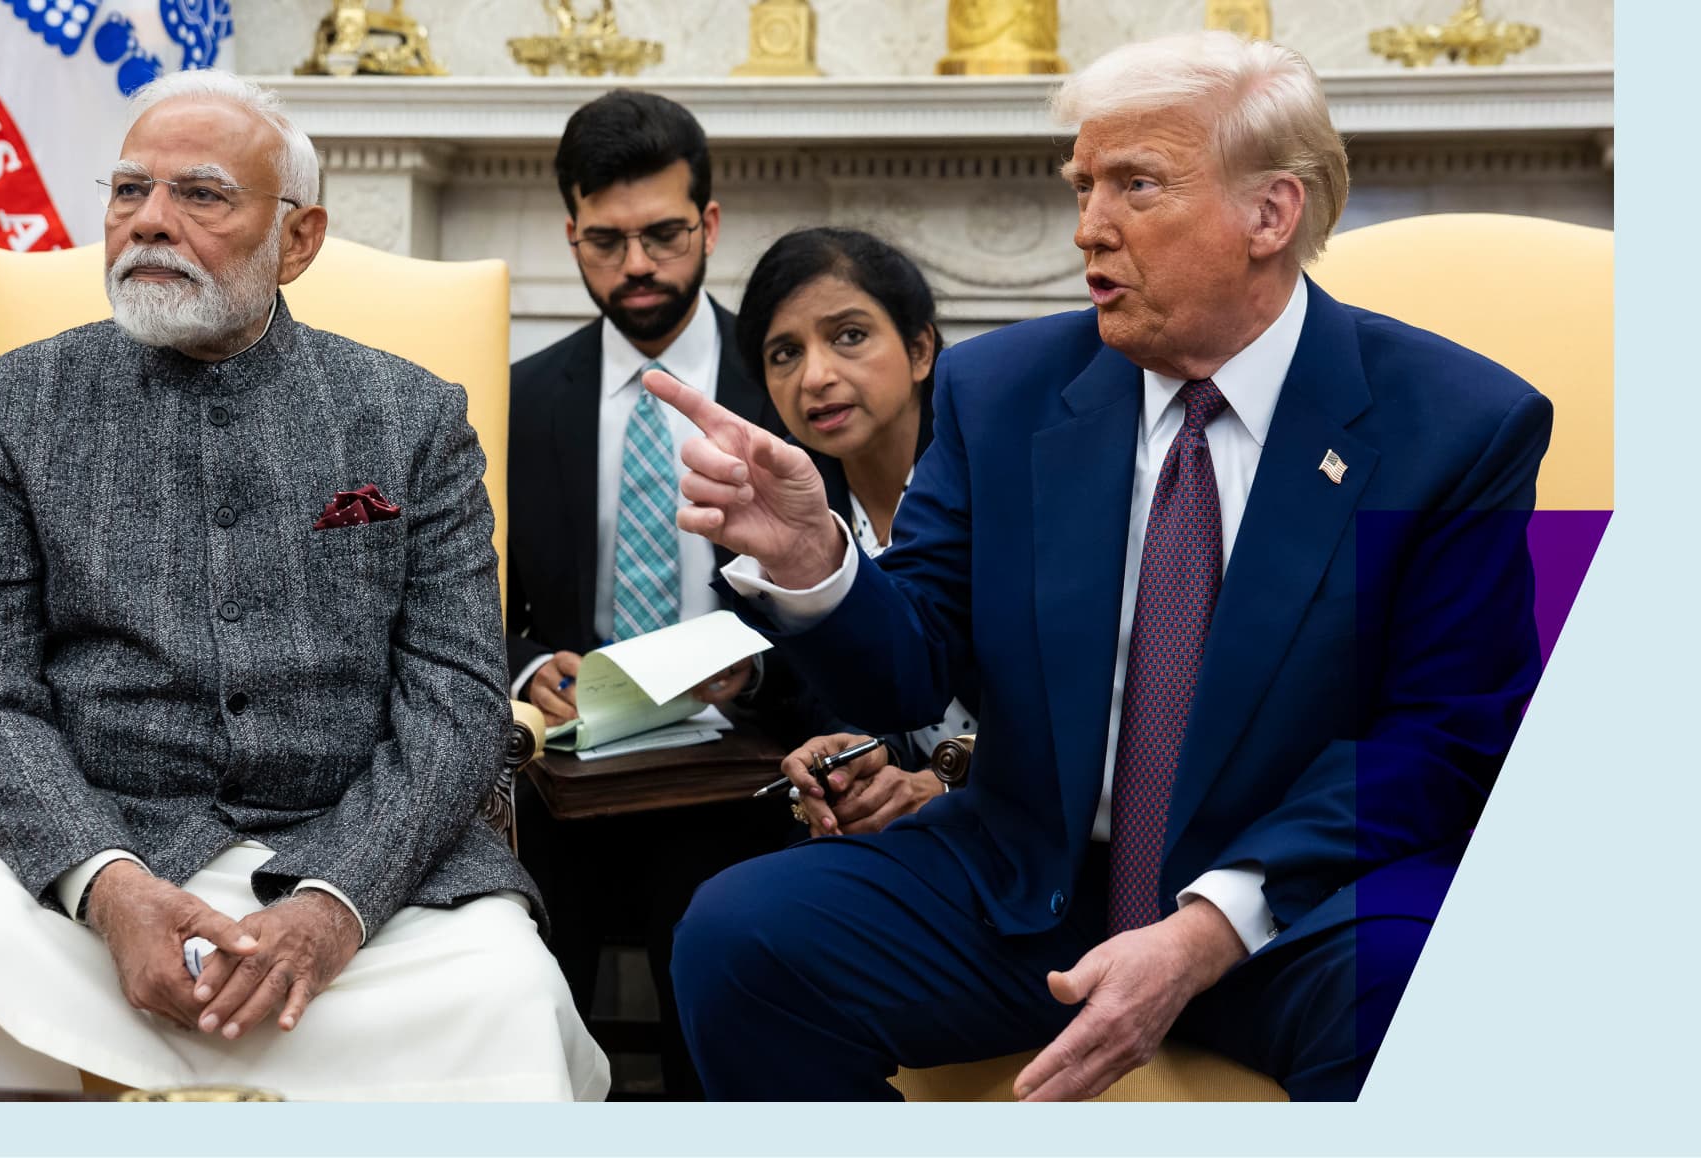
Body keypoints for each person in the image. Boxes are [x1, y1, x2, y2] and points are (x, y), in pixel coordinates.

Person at [656, 32, 1549, 1100]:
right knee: (739, 941)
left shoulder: (1456, 424)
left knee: (1419, 984)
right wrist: (821, 567)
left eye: (1137, 185)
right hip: (1034, 881)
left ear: (1271, 213)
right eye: (1084, 185)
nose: (1088, 227)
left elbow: (1443, 739)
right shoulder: (1002, 393)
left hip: (1297, 905)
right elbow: (909, 673)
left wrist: (1214, 925)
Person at [0, 70, 608, 1101]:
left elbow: (458, 698)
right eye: (127, 192)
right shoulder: (4, 409)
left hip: (352, 858)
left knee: (505, 991)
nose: (150, 221)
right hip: (73, 851)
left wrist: (335, 904)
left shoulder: (410, 418)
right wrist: (108, 888)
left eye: (200, 194)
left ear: (299, 239)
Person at [503, 89, 788, 1098]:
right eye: (607, 240)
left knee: (719, 971)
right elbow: (465, 605)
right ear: (571, 233)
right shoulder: (517, 398)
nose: (637, 267)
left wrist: (762, 661)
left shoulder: (790, 382)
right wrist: (533, 669)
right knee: (513, 981)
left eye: (664, 234)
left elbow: (867, 581)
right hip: (568, 782)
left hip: (750, 771)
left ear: (709, 225)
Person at [732, 227, 978, 837]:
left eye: (849, 336)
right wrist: (847, 763)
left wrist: (950, 774)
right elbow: (825, 695)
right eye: (784, 353)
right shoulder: (783, 504)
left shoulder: (997, 474)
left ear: (921, 350)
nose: (815, 376)